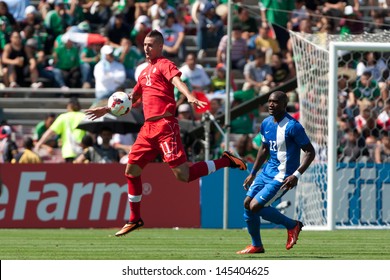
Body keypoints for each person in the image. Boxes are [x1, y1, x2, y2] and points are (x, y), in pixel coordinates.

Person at [85, 30, 248, 237]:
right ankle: (135, 219)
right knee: (131, 171)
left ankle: (226, 160)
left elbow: (177, 81)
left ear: (160, 47)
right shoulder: (143, 73)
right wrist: (107, 109)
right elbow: (131, 98)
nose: (146, 48)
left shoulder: (165, 64)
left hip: (165, 125)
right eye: (144, 44)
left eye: (150, 45)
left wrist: (188, 95)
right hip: (147, 128)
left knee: (184, 176)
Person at [237, 91, 315, 254]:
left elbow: (310, 152)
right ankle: (256, 245)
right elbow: (264, 149)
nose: (271, 104)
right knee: (247, 204)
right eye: (269, 101)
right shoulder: (266, 123)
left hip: (283, 176)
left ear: (284, 105)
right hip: (266, 172)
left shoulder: (293, 126)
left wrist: (296, 175)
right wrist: (253, 173)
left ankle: (292, 225)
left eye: (276, 102)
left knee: (256, 206)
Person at [35, 97, 86, 162]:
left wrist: (39, 144)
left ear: (69, 106)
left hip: (68, 152)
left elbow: (50, 132)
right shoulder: (84, 116)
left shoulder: (63, 117)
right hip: (82, 152)